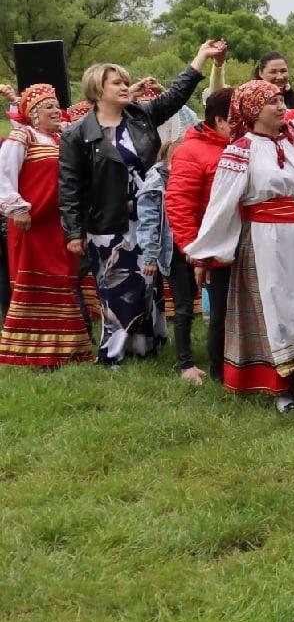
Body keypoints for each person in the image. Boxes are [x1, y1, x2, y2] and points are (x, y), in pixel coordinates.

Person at [58, 41, 226, 366]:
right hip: (107, 223)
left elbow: (175, 95)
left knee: (148, 284)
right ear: (98, 89)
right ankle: (112, 354)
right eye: (117, 83)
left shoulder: (139, 116)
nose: (124, 86)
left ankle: (146, 347)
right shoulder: (78, 134)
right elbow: (69, 186)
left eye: (125, 81)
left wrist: (202, 57)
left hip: (148, 217)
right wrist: (73, 231)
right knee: (117, 288)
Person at [187, 81, 294, 411]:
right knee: (276, 309)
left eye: (281, 100)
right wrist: (204, 254)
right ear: (251, 110)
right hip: (267, 242)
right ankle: (282, 388)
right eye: (272, 102)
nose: (281, 107)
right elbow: (221, 205)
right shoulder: (240, 151)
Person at [0, 84, 95, 368]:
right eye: (48, 107)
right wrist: (17, 207)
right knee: (36, 283)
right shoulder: (22, 137)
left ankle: (66, 349)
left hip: (60, 224)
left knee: (63, 282)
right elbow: (4, 176)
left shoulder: (63, 136)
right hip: (32, 224)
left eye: (56, 105)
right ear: (32, 114)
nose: (56, 111)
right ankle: (31, 352)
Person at [167, 88, 236, 381]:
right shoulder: (191, 151)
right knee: (219, 313)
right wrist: (195, 252)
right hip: (212, 247)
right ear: (219, 119)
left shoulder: (241, 144)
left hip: (241, 242)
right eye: (236, 118)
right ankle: (222, 374)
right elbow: (179, 204)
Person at [135, 140, 203, 383]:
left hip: (198, 246)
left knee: (197, 303)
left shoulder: (196, 176)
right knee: (183, 306)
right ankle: (186, 364)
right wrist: (151, 254)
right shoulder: (157, 182)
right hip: (173, 251)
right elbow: (149, 221)